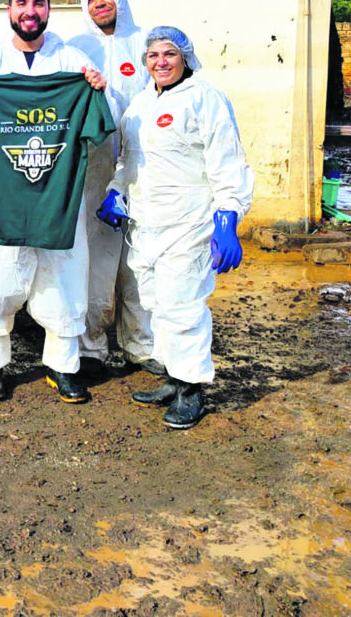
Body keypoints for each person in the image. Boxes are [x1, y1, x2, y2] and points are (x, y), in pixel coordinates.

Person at [0, 0, 113, 405]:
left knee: (64, 280)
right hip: (3, 198)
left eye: (39, 3)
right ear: (9, 9)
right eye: (22, 3)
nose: (30, 12)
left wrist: (97, 89)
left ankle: (63, 367)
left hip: (59, 199)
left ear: (49, 10)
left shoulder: (73, 63)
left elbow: (102, 119)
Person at [98, 26, 254, 430]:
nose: (160, 62)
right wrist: (116, 192)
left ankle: (192, 390)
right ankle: (172, 375)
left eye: (169, 54)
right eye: (152, 56)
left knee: (183, 308)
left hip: (188, 225)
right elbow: (126, 162)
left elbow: (227, 164)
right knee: (155, 305)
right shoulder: (139, 105)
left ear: (185, 56)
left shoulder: (205, 100)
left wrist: (227, 220)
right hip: (146, 226)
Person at [66, 0, 162, 376]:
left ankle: (141, 345)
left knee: (141, 258)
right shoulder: (76, 47)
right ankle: (91, 347)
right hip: (96, 165)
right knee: (97, 257)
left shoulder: (146, 43)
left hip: (142, 164)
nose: (99, 4)